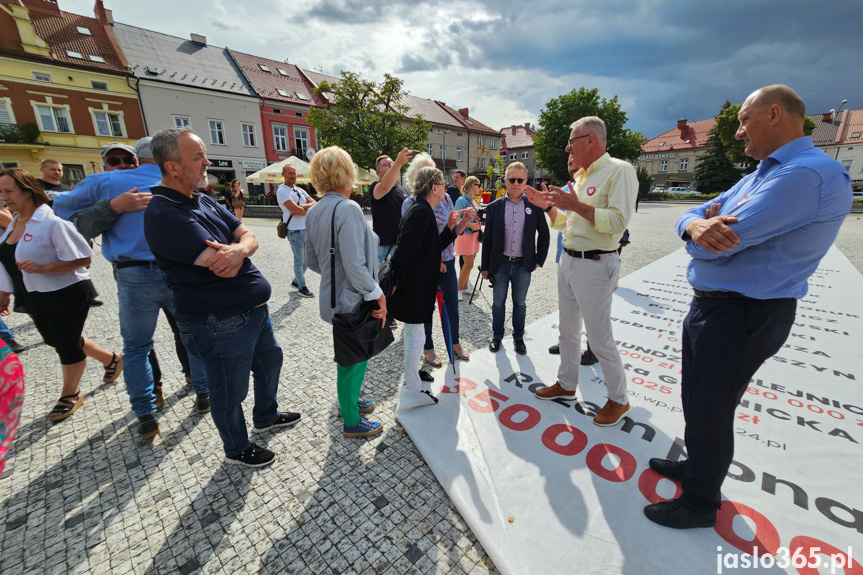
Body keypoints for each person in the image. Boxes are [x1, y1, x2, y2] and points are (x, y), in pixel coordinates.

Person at [643, 85, 852, 528]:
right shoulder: (764, 172)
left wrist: (697, 237)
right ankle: (698, 468)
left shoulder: (804, 176)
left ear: (774, 114)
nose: (737, 132)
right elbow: (696, 216)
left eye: (743, 120)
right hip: (718, 308)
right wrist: (694, 225)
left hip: (745, 312)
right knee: (698, 400)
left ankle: (700, 502)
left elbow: (716, 248)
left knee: (713, 406)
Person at [144, 128, 300, 468]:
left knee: (270, 361)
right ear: (172, 167)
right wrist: (240, 250)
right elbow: (219, 264)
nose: (207, 162)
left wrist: (240, 248)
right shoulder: (165, 214)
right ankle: (236, 447)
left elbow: (247, 234)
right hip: (217, 321)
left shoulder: (202, 199)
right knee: (229, 388)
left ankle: (266, 415)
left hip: (251, 311)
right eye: (198, 156)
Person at [54, 137, 208, 437]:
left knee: (137, 348)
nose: (123, 166)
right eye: (116, 161)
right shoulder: (180, 180)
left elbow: (59, 210)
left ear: (137, 158)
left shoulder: (105, 182)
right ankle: (203, 394)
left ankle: (146, 413)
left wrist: (109, 207)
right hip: (179, 269)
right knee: (193, 334)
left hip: (133, 274)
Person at [526, 116, 636, 427]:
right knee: (567, 331)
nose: (567, 148)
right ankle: (566, 384)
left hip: (597, 263)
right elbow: (566, 224)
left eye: (571, 141)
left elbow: (616, 223)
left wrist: (573, 206)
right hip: (571, 261)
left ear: (592, 140)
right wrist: (546, 207)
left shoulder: (619, 170)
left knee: (600, 339)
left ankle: (618, 399)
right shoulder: (583, 176)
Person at [0, 169, 121, 422]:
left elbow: (83, 258)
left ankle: (70, 394)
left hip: (67, 293)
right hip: (34, 294)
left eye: (9, 191)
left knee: (65, 344)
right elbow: (7, 261)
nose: (4, 197)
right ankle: (111, 359)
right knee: (56, 339)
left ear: (27, 190)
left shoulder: (53, 222)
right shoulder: (14, 223)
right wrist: (4, 293)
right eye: (1, 192)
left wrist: (45, 267)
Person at [304, 146, 386, 438]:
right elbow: (355, 265)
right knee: (353, 358)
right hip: (352, 299)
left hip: (332, 298)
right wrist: (377, 292)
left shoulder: (314, 210)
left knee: (352, 354)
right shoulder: (348, 208)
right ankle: (351, 419)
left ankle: (349, 402)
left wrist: (333, 275)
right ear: (346, 172)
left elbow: (311, 261)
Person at [389, 166, 466, 408]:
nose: (446, 188)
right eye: (443, 184)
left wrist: (456, 226)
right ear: (434, 188)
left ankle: (413, 381)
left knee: (416, 336)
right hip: (415, 287)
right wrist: (397, 284)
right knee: (415, 338)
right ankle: (411, 390)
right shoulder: (421, 211)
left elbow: (431, 248)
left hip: (419, 284)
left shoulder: (424, 209)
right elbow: (403, 253)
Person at [402, 153, 473, 364]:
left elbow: (453, 232)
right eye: (438, 179)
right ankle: (428, 348)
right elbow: (419, 242)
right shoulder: (411, 204)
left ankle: (455, 343)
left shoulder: (447, 198)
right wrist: (434, 261)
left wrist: (463, 221)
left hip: (448, 261)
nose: (444, 184)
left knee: (452, 304)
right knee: (427, 308)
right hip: (427, 265)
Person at [481, 161, 550, 356]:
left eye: (520, 180)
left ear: (526, 181)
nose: (516, 183)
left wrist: (539, 259)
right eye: (512, 179)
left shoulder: (534, 206)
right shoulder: (494, 207)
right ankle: (497, 336)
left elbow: (544, 233)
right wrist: (485, 267)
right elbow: (487, 240)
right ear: (505, 181)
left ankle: (518, 338)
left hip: (523, 265)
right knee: (498, 303)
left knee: (520, 304)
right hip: (500, 264)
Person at [276, 165, 316, 298]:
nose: (292, 175)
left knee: (308, 259)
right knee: (299, 260)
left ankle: (296, 280)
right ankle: (302, 287)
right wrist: (303, 208)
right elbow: (295, 211)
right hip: (294, 230)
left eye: (294, 173)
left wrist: (301, 206)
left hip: (306, 228)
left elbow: (314, 203)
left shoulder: (299, 190)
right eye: (289, 173)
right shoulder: (282, 191)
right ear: (283, 174)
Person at [370, 149, 413, 267]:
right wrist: (398, 163)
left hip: (400, 244)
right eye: (386, 164)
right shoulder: (376, 186)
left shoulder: (401, 189)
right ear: (378, 171)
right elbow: (384, 187)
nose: (391, 165)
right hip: (383, 246)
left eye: (392, 163)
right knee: (380, 281)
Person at [454, 176, 482, 299]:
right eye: (478, 185)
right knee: (468, 264)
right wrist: (469, 224)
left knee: (469, 263)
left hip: (475, 235)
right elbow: (456, 218)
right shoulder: (461, 200)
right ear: (472, 186)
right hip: (466, 235)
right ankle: (458, 289)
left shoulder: (474, 199)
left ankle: (464, 287)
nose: (479, 188)